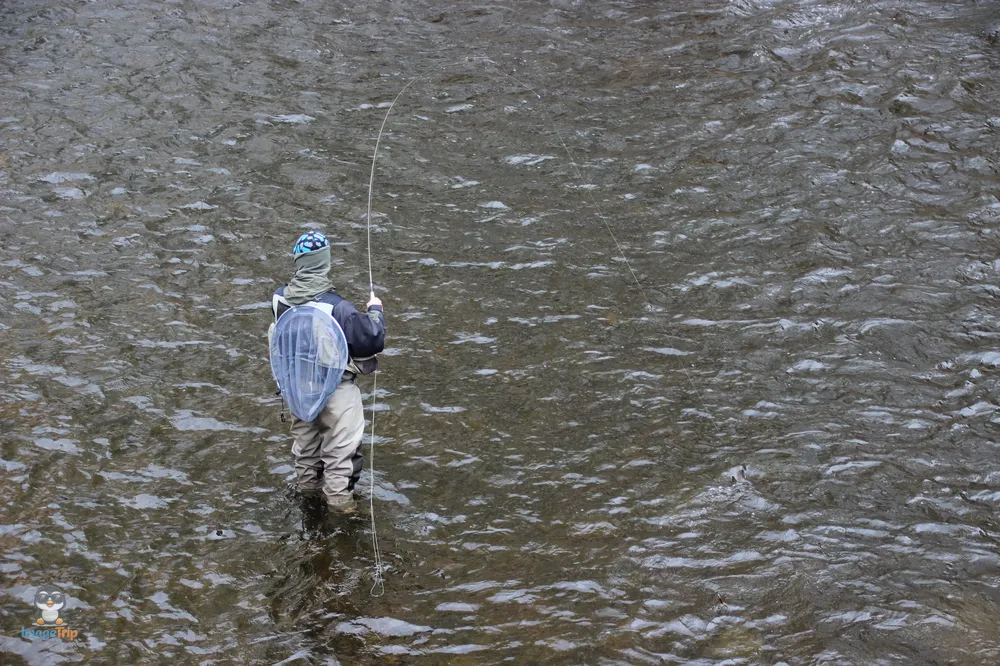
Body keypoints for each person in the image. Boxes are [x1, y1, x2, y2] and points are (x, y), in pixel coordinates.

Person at [268, 231, 385, 512]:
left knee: (306, 453)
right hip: (336, 391)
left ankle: (308, 507)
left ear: (299, 262)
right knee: (340, 458)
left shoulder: (279, 299)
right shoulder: (339, 307)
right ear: (325, 263)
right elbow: (371, 339)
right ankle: (341, 513)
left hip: (297, 389)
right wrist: (376, 311)